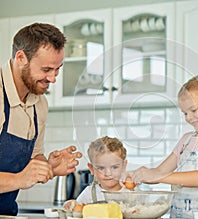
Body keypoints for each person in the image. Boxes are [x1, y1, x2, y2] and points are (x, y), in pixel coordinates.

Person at [0, 23, 82, 215]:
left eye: (57, 69)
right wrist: (20, 179)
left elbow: (32, 158)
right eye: (46, 69)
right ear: (21, 58)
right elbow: (22, 177)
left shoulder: (39, 104)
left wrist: (48, 167)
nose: (53, 78)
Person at [130, 73, 198, 218]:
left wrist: (159, 176)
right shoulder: (186, 140)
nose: (189, 117)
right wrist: (138, 174)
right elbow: (161, 170)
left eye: (193, 110)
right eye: (185, 113)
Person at [64, 136, 128, 207]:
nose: (108, 173)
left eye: (114, 167)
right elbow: (77, 208)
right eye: (101, 168)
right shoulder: (89, 194)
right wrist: (70, 204)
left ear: (123, 166)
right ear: (92, 169)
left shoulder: (131, 193)